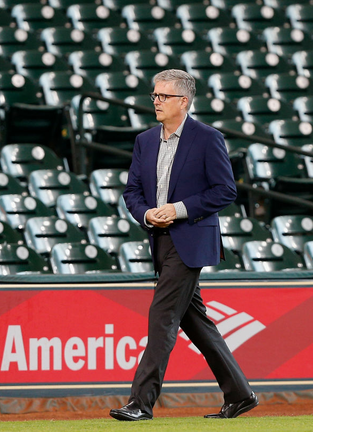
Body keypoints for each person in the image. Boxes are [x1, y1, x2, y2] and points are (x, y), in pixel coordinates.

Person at [109, 69, 258, 421]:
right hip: (159, 240)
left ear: (183, 101)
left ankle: (140, 402)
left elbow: (226, 191)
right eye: (155, 95)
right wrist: (147, 214)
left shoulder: (208, 138)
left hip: (189, 240)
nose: (156, 101)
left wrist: (177, 210)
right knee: (195, 321)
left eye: (163, 96)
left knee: (162, 318)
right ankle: (240, 393)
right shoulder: (145, 140)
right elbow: (132, 192)